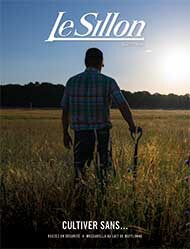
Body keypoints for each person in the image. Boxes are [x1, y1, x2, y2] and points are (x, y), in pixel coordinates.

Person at [61, 48, 136, 181]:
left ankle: (80, 198)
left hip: (80, 135)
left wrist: (65, 133)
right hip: (102, 134)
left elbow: (65, 110)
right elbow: (122, 105)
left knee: (80, 172)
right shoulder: (108, 81)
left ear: (85, 62)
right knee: (104, 170)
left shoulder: (71, 82)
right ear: (101, 62)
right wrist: (132, 126)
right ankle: (102, 196)